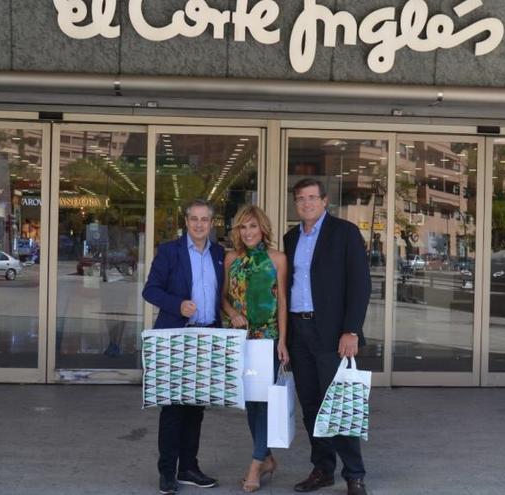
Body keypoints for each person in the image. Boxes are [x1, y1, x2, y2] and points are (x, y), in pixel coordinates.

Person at [283, 178, 371, 495]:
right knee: (310, 405)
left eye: (312, 197)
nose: (306, 203)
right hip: (299, 331)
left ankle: (354, 474)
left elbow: (360, 285)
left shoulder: (344, 233)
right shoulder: (290, 237)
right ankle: (322, 468)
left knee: (338, 404)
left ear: (324, 201)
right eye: (300, 198)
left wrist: (351, 330)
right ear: (295, 204)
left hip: (333, 332)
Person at [142, 199, 224, 495]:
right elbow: (150, 290)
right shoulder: (169, 251)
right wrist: (177, 304)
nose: (199, 224)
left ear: (211, 224)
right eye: (194, 219)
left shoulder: (219, 254)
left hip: (207, 339)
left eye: (205, 220)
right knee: (174, 409)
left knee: (196, 409)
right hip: (177, 338)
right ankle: (167, 473)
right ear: (185, 221)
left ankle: (189, 467)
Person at [220, 205, 290, 493]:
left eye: (253, 226)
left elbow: (283, 301)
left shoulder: (277, 259)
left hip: (267, 338)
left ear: (263, 229)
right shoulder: (230, 259)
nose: (248, 232)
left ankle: (255, 464)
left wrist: (283, 341)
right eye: (242, 227)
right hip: (239, 340)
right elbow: (222, 297)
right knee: (250, 404)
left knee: (263, 403)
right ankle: (268, 458)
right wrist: (231, 313)